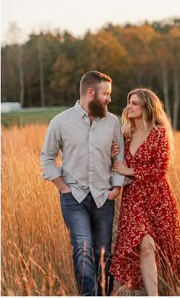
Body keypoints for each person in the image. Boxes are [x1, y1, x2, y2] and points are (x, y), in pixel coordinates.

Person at [40, 71, 126, 296]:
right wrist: (62, 187)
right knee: (82, 248)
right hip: (74, 197)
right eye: (105, 93)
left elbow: (120, 158)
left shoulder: (112, 121)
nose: (109, 98)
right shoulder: (61, 121)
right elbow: (47, 157)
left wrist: (116, 188)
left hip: (103, 197)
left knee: (104, 254)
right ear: (91, 92)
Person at [109, 88, 180, 296]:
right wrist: (113, 155)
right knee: (145, 244)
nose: (129, 106)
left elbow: (160, 169)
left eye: (135, 103)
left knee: (160, 248)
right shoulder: (125, 135)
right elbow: (115, 165)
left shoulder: (159, 133)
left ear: (148, 107)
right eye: (129, 102)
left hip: (158, 198)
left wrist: (130, 170)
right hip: (133, 199)